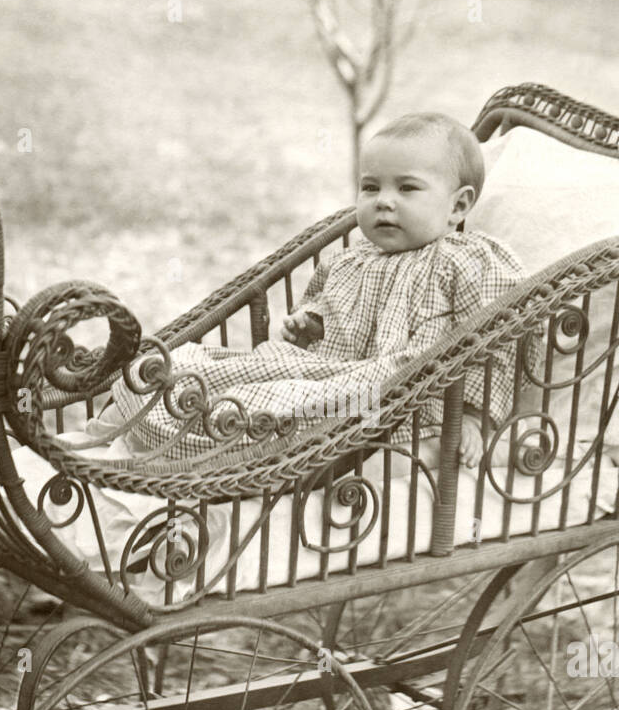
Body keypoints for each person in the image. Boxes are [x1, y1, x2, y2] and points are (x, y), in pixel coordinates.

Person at [112, 112, 526, 464]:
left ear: (457, 206)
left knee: (278, 404)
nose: (384, 201)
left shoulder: (467, 261)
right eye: (370, 187)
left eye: (407, 188)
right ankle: (164, 427)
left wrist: (474, 416)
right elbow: (331, 308)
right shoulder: (355, 256)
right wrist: (310, 324)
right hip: (325, 370)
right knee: (229, 370)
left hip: (402, 394)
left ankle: (214, 446)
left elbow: (497, 339)